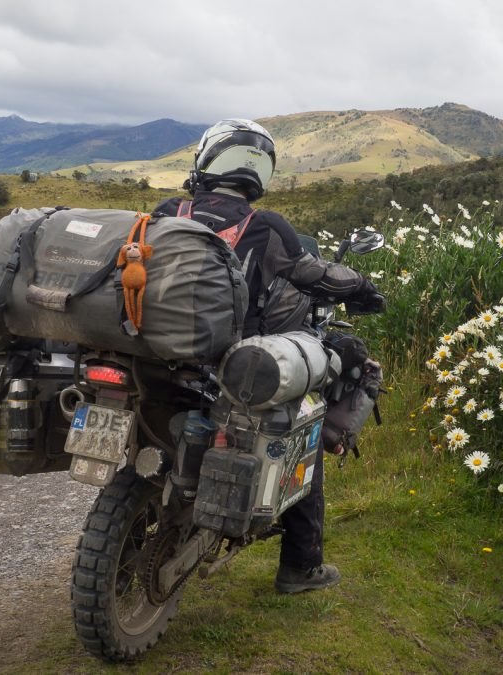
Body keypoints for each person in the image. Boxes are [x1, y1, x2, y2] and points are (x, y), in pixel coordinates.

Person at [153, 119, 383, 594]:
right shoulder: (265, 226)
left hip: (154, 354)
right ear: (261, 174)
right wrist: (360, 286)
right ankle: (300, 567)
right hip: (230, 363)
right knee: (304, 435)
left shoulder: (167, 210)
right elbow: (312, 274)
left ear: (207, 158)